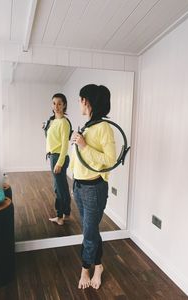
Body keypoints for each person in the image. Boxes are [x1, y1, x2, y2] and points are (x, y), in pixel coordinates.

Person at [70, 84, 116, 290]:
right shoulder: (88, 126)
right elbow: (79, 158)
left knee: (88, 233)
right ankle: (99, 265)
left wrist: (84, 146)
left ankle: (86, 269)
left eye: (80, 99)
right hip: (79, 187)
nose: (79, 102)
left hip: (94, 189)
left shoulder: (104, 127)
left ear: (87, 101)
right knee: (91, 230)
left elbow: (110, 160)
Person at [45, 93, 71, 225]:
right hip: (53, 156)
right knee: (63, 187)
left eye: (59, 103)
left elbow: (65, 145)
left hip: (58, 157)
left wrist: (59, 163)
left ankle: (59, 217)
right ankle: (66, 214)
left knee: (58, 189)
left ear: (64, 105)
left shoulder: (64, 123)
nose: (56, 106)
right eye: (54, 103)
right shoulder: (53, 121)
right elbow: (52, 138)